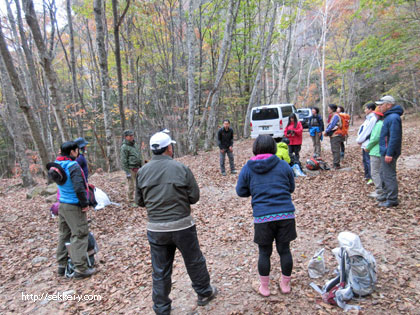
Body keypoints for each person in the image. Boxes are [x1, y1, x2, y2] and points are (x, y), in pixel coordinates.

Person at [136, 131, 217, 314]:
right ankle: (204, 293)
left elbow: (140, 201)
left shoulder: (142, 172)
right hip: (182, 225)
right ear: (169, 148)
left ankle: (162, 307)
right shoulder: (181, 168)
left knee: (160, 269)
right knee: (194, 260)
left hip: (156, 228)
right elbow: (194, 197)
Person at [236, 135, 297, 297]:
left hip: (263, 217)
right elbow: (291, 187)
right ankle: (285, 284)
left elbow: (240, 191)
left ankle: (265, 287)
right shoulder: (284, 165)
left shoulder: (248, 168)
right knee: (285, 250)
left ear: (255, 148)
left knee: (264, 253)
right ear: (273, 148)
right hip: (286, 215)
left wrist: (254, 190)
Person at [53, 141, 95, 279]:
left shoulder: (57, 165)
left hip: (62, 204)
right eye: (77, 150)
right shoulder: (73, 166)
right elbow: (78, 187)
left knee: (64, 234)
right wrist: (84, 203)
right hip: (73, 204)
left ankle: (62, 265)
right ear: (72, 152)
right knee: (80, 234)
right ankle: (80, 268)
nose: (78, 152)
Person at [375, 96, 403, 207]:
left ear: (389, 105)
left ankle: (392, 199)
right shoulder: (389, 117)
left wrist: (389, 153)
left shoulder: (393, 118)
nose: (379, 107)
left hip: (388, 152)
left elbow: (394, 137)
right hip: (384, 151)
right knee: (382, 173)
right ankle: (386, 194)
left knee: (389, 175)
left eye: (381, 105)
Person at [364, 108, 384, 199]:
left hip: (376, 151)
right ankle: (381, 189)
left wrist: (368, 147)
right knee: (379, 171)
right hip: (379, 150)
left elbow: (375, 138)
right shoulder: (381, 124)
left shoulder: (378, 124)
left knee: (375, 172)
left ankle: (379, 191)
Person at [356, 103, 377, 184]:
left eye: (366, 109)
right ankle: (367, 175)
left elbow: (367, 131)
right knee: (365, 160)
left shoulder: (373, 118)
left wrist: (360, 140)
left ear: (370, 109)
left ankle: (372, 177)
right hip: (364, 142)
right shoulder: (368, 118)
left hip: (368, 142)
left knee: (369, 160)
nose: (365, 110)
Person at [120, 130, 143, 204]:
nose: (132, 137)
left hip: (138, 168)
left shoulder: (134, 144)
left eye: (132, 135)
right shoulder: (124, 147)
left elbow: (139, 155)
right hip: (131, 169)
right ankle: (131, 200)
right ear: (126, 137)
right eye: (130, 136)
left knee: (139, 184)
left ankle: (139, 199)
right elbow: (124, 160)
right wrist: (127, 172)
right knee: (131, 185)